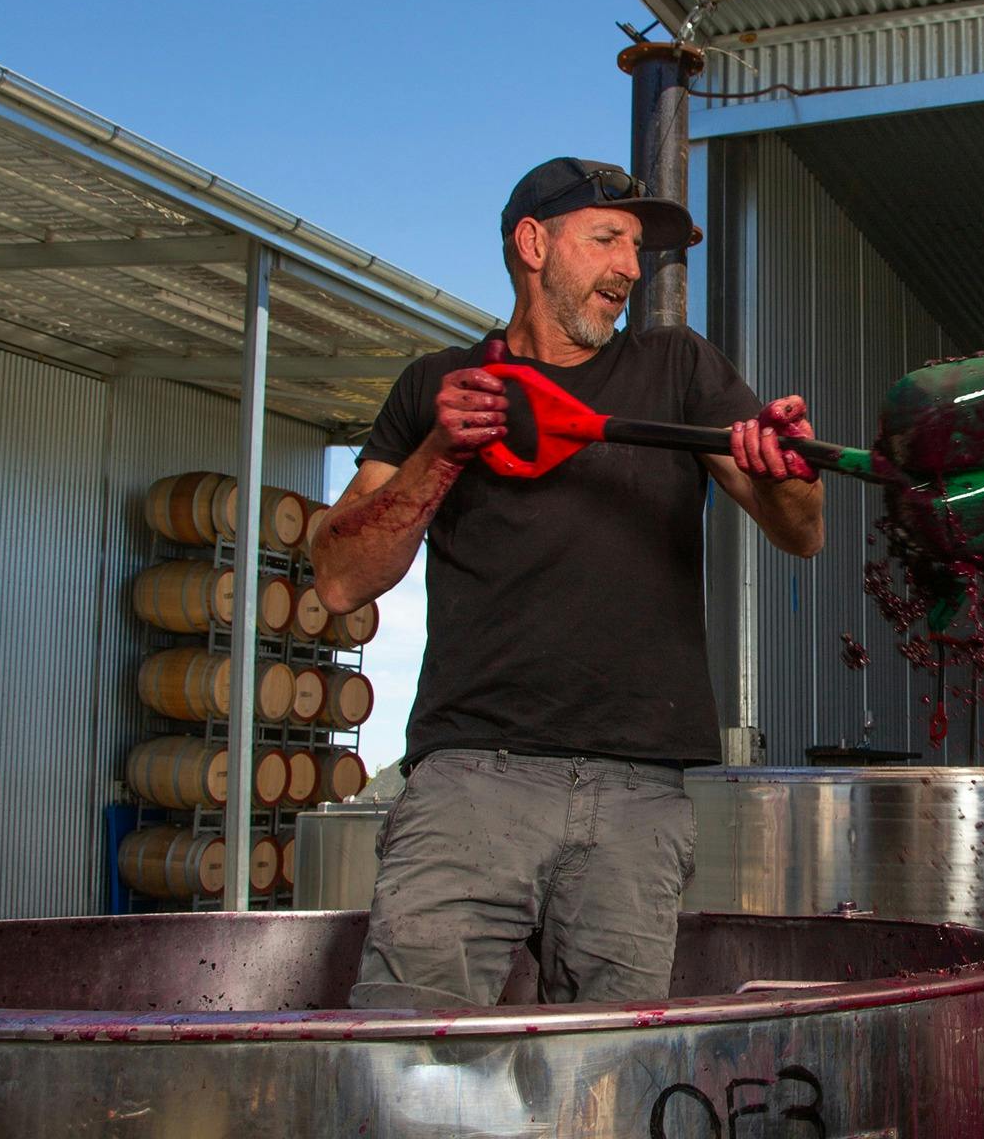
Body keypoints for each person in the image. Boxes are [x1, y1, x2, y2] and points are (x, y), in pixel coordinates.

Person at [311, 156, 824, 1008]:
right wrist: (440, 455)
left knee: (609, 1086)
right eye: (607, 239)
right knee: (409, 1062)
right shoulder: (437, 386)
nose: (630, 266)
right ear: (532, 244)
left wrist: (782, 468)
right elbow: (337, 580)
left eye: (636, 247)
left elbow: (802, 531)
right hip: (470, 780)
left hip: (639, 796)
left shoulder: (677, 371)